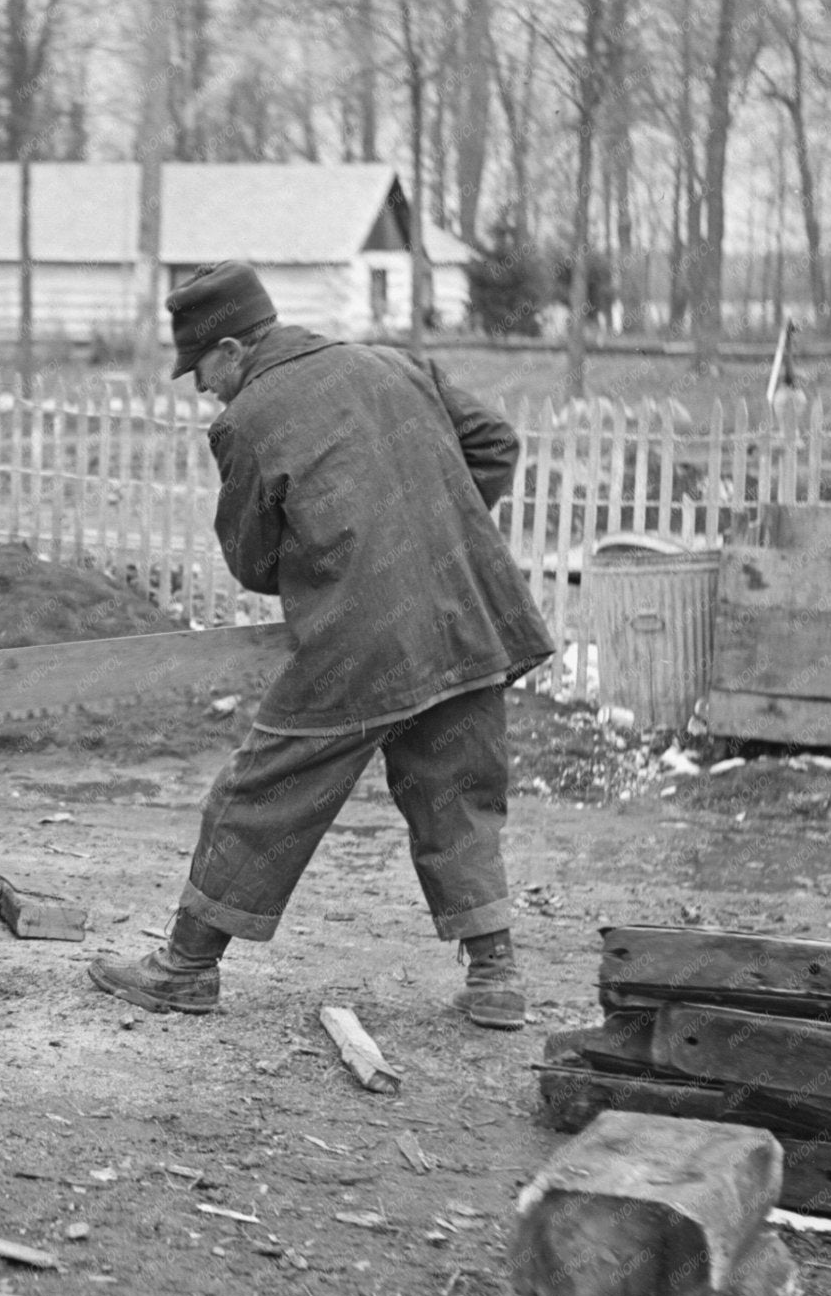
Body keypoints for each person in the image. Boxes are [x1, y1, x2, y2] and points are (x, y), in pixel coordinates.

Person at [88, 261, 554, 1031]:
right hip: (468, 614)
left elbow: (250, 557)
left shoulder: (249, 418)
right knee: (458, 792)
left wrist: (341, 560)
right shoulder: (394, 363)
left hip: (360, 639)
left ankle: (186, 967)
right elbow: (495, 444)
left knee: (263, 788)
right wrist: (431, 529)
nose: (201, 387)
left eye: (200, 368)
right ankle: (496, 976)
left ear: (233, 348)